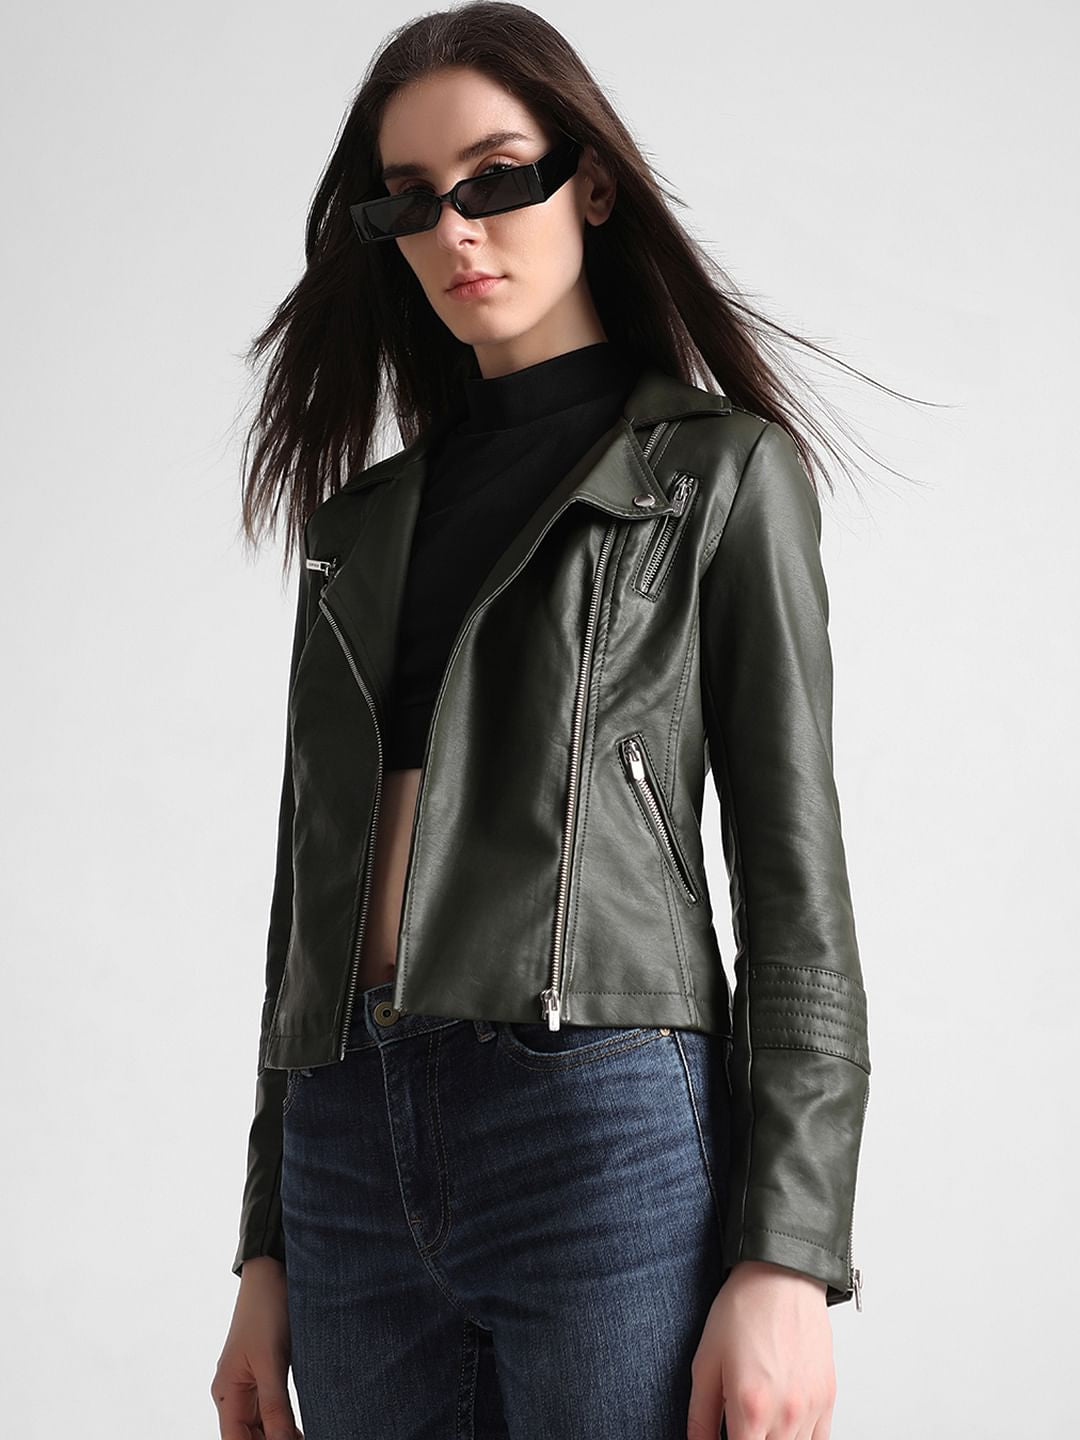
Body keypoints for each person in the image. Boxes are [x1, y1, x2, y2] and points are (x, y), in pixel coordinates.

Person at [211, 5, 882, 1437]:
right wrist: (266, 1244)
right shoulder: (357, 526)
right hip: (345, 1141)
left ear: (592, 184)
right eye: (410, 200)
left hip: (597, 1120)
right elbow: (301, 907)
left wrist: (788, 1252)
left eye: (497, 176)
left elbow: (795, 886)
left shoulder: (717, 477)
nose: (456, 228)